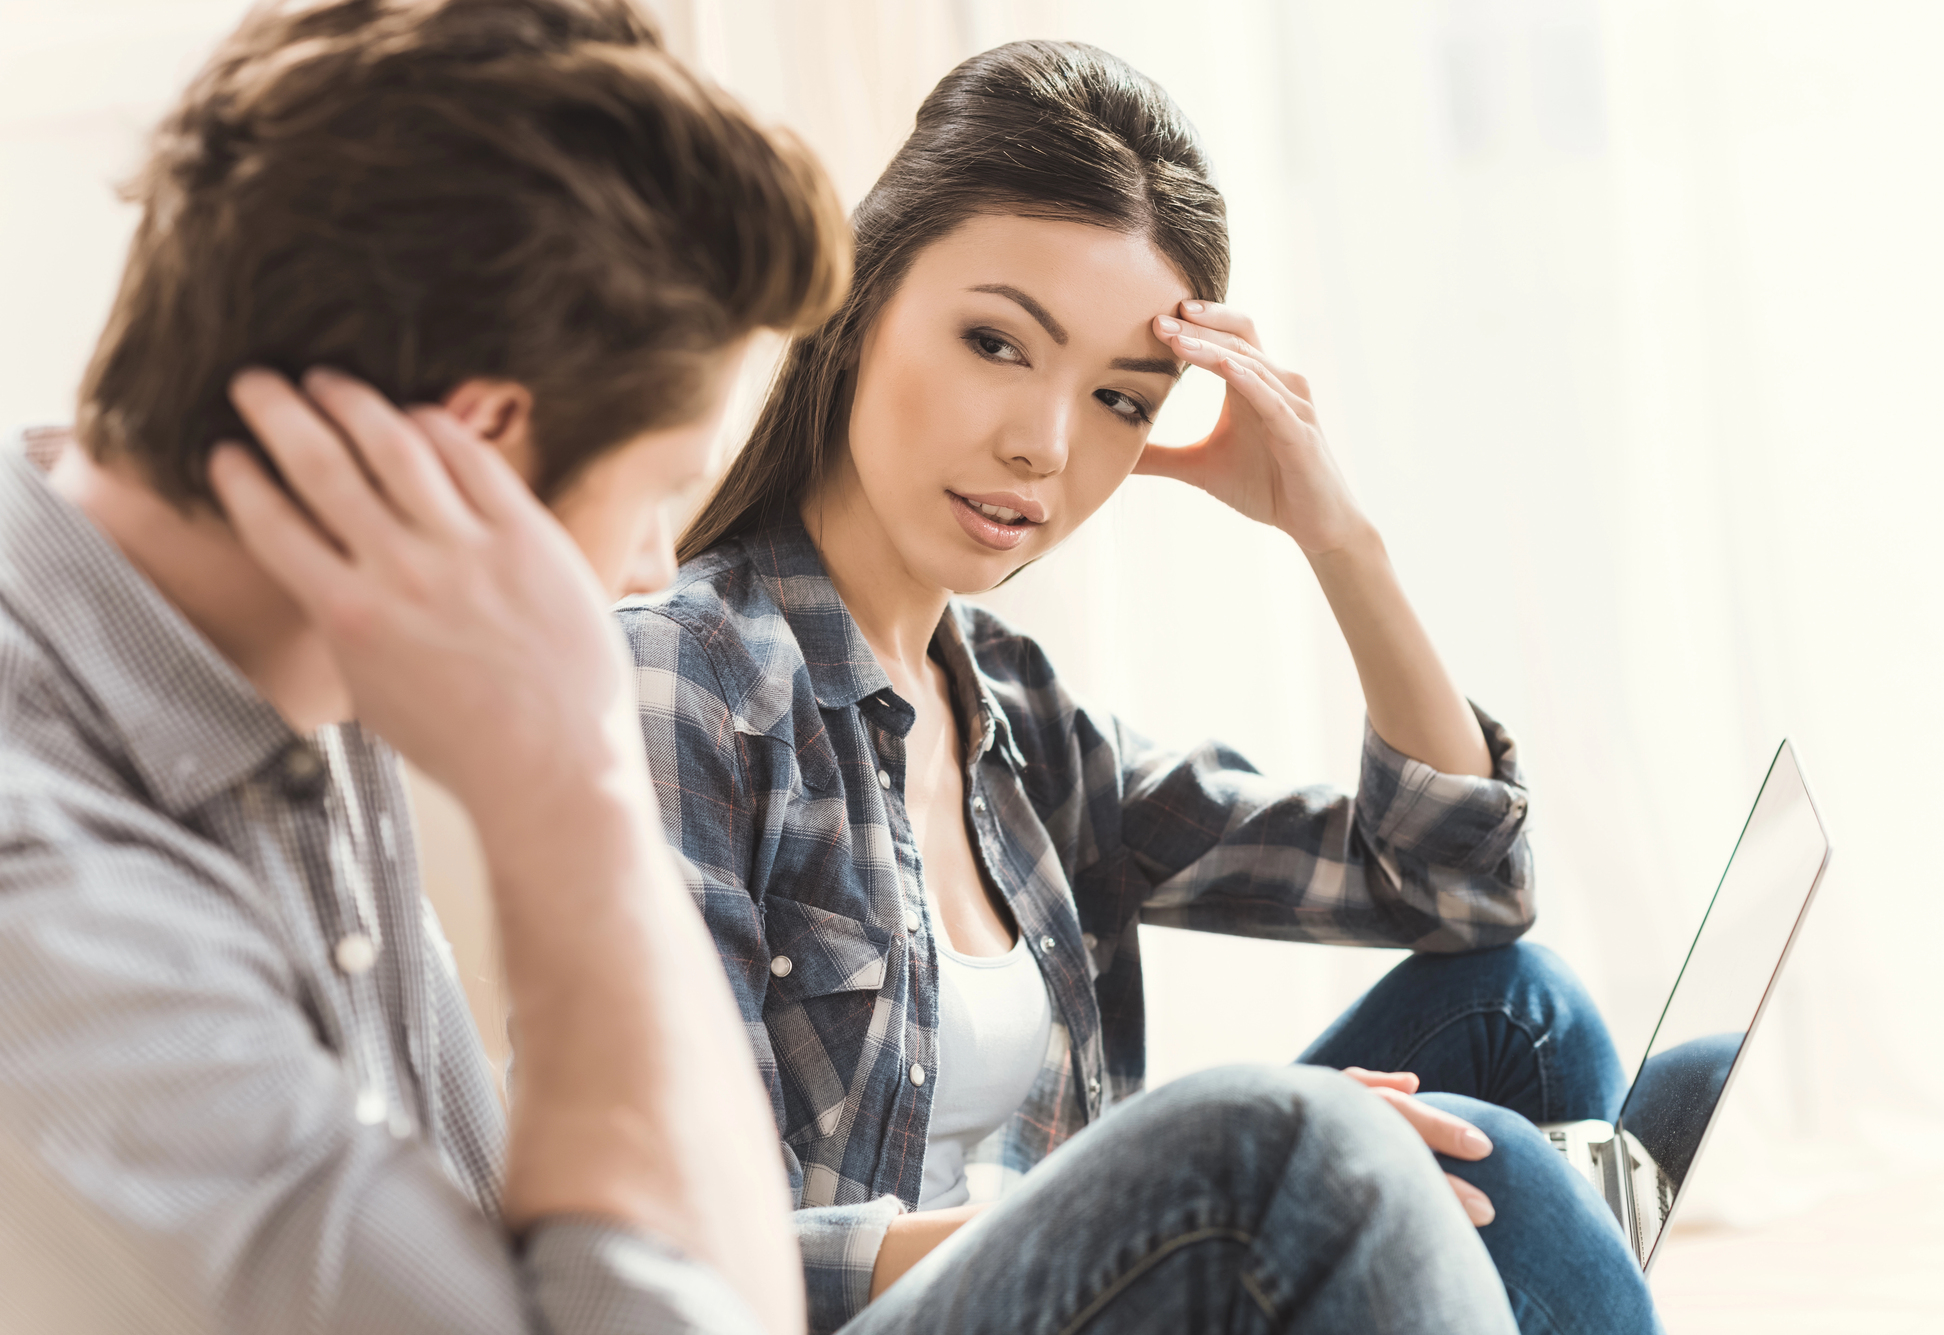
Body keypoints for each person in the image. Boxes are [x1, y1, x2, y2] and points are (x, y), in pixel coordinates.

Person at [625, 40, 1665, 1335]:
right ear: (861, 292)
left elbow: (1460, 887)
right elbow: (683, 1251)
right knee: (1324, 1149)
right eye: (998, 342)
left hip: (1080, 1281)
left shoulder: (1017, 718)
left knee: (1522, 1014)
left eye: (1121, 398)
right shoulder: (689, 674)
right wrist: (1161, 1186)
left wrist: (1338, 539)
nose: (1045, 445)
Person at [0, 1, 854, 1329]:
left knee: (1244, 1153)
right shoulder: (42, 898)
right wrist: (575, 805)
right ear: (476, 453)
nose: (650, 566)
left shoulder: (324, 654)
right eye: (661, 490)